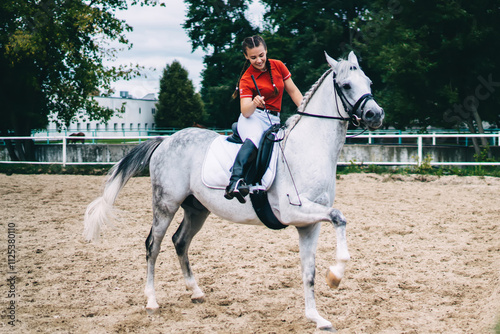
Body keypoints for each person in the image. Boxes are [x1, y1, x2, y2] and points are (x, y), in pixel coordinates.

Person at [224, 35, 303, 203]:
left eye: (261, 55)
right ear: (246, 56)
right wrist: (254, 103)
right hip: (253, 117)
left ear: (266, 51)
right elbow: (245, 111)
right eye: (253, 57)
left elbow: (294, 92)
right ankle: (235, 180)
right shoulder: (246, 78)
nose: (258, 60)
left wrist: (305, 111)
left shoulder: (279, 66)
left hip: (274, 119)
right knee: (255, 138)